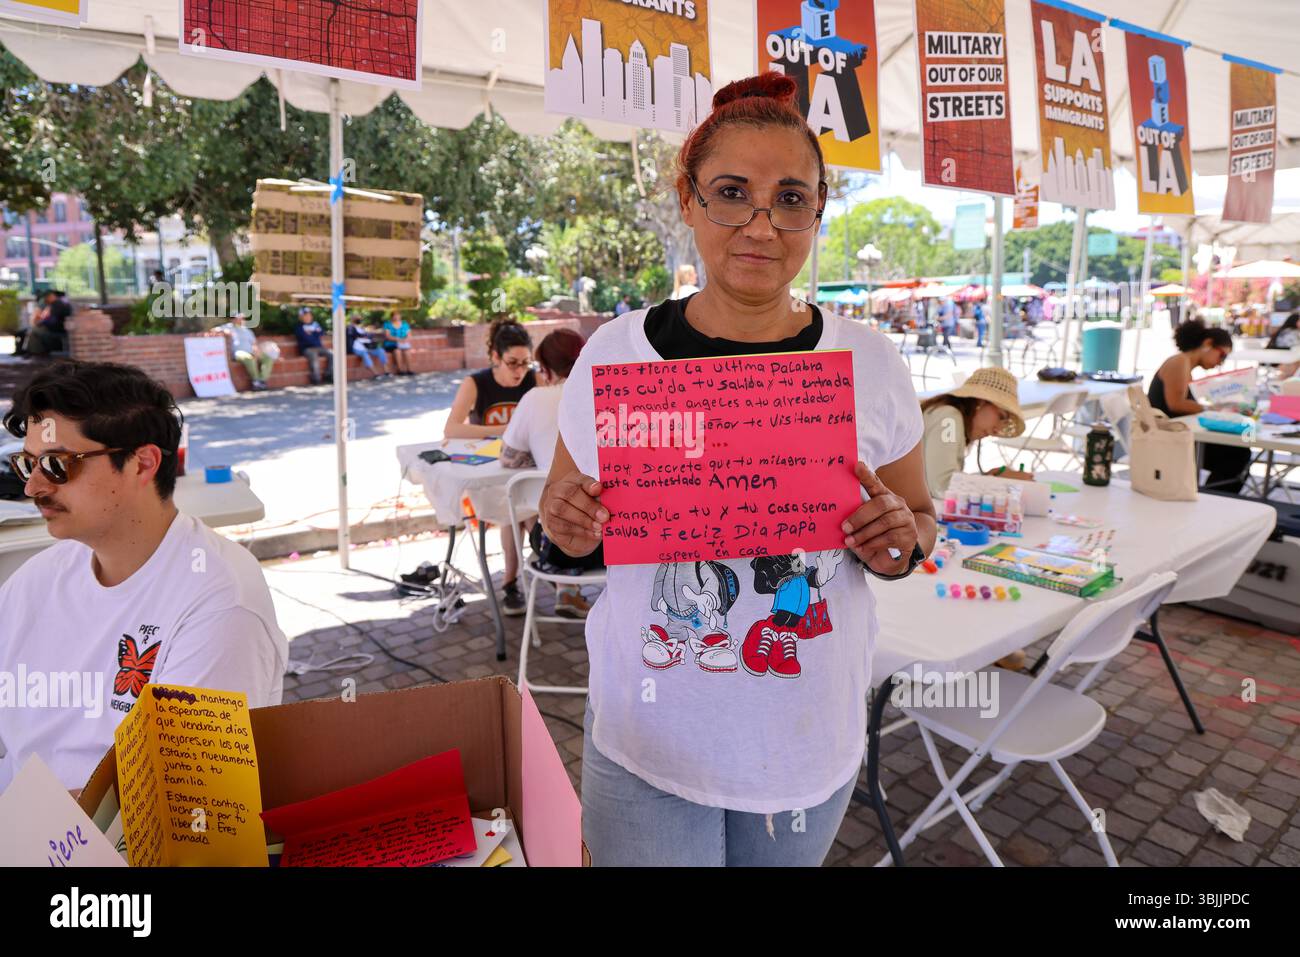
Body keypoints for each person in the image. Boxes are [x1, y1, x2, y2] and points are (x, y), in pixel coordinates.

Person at [539, 72, 937, 866]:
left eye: (792, 198)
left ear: (818, 212)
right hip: (647, 735)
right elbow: (564, 520)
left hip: (802, 745)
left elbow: (918, 522)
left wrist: (901, 541)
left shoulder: (871, 360)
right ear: (689, 200)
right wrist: (565, 525)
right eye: (731, 192)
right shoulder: (615, 354)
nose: (761, 224)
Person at [0, 361, 287, 792]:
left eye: (58, 465)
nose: (33, 487)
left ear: (142, 463)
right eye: (27, 465)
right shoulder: (37, 578)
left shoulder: (220, 602)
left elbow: (182, 798)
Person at [501, 328, 598, 619]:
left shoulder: (536, 398)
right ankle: (565, 590)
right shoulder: (609, 390)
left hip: (559, 545)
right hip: (613, 543)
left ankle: (512, 585)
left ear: (545, 368)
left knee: (524, 504)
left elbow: (508, 458)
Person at [445, 318, 537, 614]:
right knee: (514, 512)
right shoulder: (476, 383)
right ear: (495, 358)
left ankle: (552, 581)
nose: (520, 371)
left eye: (525, 363)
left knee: (531, 511)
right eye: (512, 363)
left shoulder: (535, 380)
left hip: (525, 471)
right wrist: (507, 430)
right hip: (490, 476)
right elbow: (452, 429)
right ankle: (512, 581)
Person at [1149, 318, 1252, 494]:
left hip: (1177, 435)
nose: (1220, 362)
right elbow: (1176, 404)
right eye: (1222, 355)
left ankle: (1214, 497)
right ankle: (1215, 499)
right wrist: (1211, 409)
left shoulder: (1184, 365)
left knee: (1238, 453)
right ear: (1207, 344)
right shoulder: (1179, 362)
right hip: (1169, 439)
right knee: (1238, 454)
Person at [919, 366, 1027, 499]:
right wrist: (1000, 482)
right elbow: (942, 486)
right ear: (981, 401)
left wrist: (989, 478)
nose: (997, 430)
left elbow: (944, 482)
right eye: (1001, 416)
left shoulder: (949, 416)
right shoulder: (948, 419)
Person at [217, 313, 276, 390]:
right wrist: (224, 331)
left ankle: (262, 380)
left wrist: (256, 351)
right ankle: (256, 381)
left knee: (268, 358)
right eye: (239, 318)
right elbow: (214, 330)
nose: (241, 320)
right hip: (238, 352)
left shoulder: (247, 330)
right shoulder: (228, 327)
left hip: (251, 351)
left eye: (242, 318)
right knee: (250, 358)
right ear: (233, 319)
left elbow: (254, 343)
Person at [23, 289, 71, 356]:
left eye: (46, 297)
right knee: (34, 331)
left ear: (51, 296)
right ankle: (34, 352)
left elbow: (53, 320)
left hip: (58, 329)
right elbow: (51, 318)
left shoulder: (57, 304)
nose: (45, 300)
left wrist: (42, 322)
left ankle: (35, 353)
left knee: (35, 330)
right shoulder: (57, 303)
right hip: (56, 328)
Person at [294, 307, 333, 385]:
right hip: (307, 349)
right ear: (301, 317)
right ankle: (316, 378)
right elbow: (306, 338)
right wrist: (314, 334)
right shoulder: (299, 327)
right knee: (314, 356)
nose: (308, 317)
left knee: (332, 354)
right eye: (306, 315)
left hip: (319, 347)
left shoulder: (315, 324)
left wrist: (311, 334)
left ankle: (328, 375)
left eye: (309, 315)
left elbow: (321, 333)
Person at [382, 311, 414, 375]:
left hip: (403, 344)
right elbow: (388, 336)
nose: (396, 317)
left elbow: (409, 335)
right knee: (397, 351)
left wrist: (405, 340)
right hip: (391, 344)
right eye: (395, 315)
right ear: (391, 317)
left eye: (398, 315)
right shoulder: (387, 324)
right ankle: (400, 370)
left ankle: (409, 370)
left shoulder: (405, 324)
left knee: (407, 352)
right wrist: (398, 339)